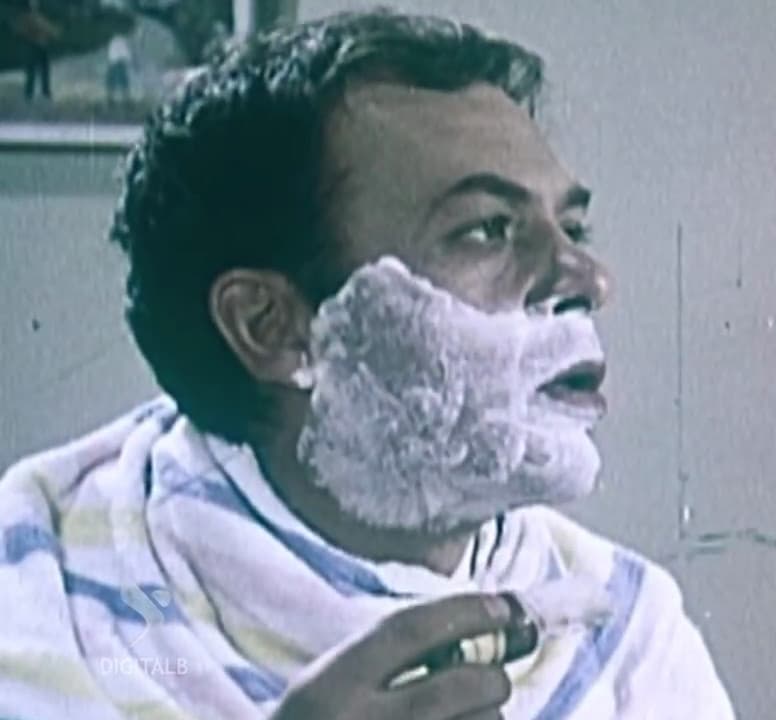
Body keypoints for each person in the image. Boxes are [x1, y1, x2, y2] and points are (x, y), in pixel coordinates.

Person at [0, 10, 735, 720]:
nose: (589, 279)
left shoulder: (625, 634)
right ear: (271, 327)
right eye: (487, 229)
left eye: (572, 226)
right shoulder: (40, 593)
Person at [11, 0, 59, 101]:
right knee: (31, 72)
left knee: (44, 71)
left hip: (41, 46)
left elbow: (47, 28)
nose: (35, 5)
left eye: (35, 3)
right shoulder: (24, 17)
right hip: (31, 48)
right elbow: (20, 32)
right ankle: (29, 96)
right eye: (33, 3)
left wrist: (53, 32)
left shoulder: (37, 16)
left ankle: (45, 93)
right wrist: (34, 34)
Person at [105, 33, 131, 104]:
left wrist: (125, 60)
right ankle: (111, 99)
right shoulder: (115, 40)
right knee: (113, 82)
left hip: (118, 62)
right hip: (114, 62)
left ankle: (125, 99)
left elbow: (125, 53)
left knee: (120, 82)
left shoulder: (119, 40)